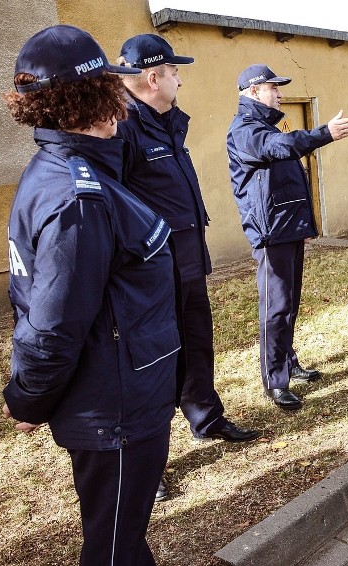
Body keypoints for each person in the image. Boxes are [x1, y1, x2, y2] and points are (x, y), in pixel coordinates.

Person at [1, 25, 179, 564]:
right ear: (98, 103)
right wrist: (28, 397)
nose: (125, 105)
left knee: (122, 537)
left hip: (122, 393)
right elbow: (53, 324)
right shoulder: (77, 198)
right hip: (116, 408)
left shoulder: (70, 171)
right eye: (114, 90)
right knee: (114, 548)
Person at [115, 34, 259, 501]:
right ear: (153, 77)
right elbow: (118, 206)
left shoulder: (166, 123)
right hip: (152, 266)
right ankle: (147, 460)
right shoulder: (123, 129)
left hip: (187, 256)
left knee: (197, 340)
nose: (180, 77)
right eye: (175, 70)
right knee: (154, 361)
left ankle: (206, 418)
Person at [227, 64, 348, 410]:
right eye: (273, 87)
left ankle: (288, 361)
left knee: (289, 304)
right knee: (276, 307)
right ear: (253, 92)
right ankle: (275, 380)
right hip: (271, 233)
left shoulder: (263, 126)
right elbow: (280, 148)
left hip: (288, 228)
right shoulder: (245, 130)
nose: (280, 92)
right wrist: (324, 133)